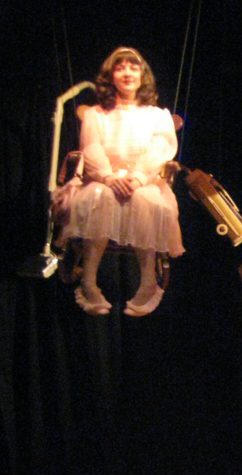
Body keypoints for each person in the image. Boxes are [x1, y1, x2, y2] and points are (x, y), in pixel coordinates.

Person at [60, 46, 183, 316]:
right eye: (120, 67)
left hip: (144, 182)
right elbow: (91, 147)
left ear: (142, 75)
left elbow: (160, 148)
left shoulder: (155, 116)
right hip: (104, 181)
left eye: (133, 66)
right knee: (99, 197)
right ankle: (89, 280)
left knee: (145, 200)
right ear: (111, 76)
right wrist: (107, 176)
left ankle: (148, 282)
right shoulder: (96, 115)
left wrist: (138, 177)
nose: (127, 72)